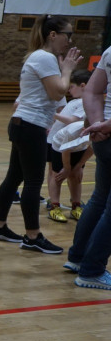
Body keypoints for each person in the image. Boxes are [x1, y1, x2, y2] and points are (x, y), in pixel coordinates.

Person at [0, 15, 81, 253]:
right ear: (53, 35)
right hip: (31, 126)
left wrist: (61, 70)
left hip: (23, 124)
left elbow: (55, 97)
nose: (70, 40)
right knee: (33, 182)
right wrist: (67, 70)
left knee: (13, 178)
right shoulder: (45, 57)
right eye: (67, 34)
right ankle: (32, 237)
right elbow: (58, 91)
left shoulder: (39, 57)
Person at [67, 45, 111, 290]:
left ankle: (77, 258)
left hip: (103, 137)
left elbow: (92, 91)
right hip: (106, 131)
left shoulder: (110, 51)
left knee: (99, 199)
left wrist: (98, 124)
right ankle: (92, 270)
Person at [45, 70, 92, 223]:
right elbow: (65, 142)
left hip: (77, 144)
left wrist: (53, 113)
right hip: (59, 143)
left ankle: (75, 205)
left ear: (83, 86)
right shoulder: (74, 102)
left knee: (75, 175)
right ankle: (54, 205)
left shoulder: (86, 102)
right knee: (56, 174)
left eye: (72, 86)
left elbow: (72, 121)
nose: (69, 90)